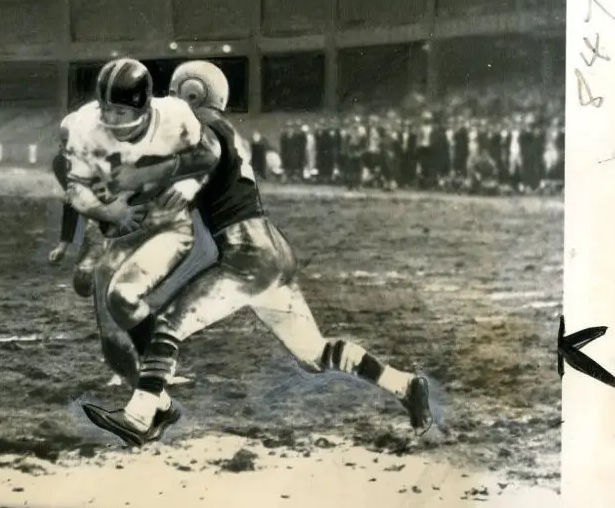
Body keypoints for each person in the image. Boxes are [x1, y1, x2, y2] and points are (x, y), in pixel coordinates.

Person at [81, 60, 433, 447]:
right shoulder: (225, 130)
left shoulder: (205, 129)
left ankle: (142, 414)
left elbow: (202, 158)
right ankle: (403, 385)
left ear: (191, 94)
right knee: (315, 355)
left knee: (168, 325)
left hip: (246, 254)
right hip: (270, 250)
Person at [54, 57, 222, 433]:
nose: (112, 120)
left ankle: (150, 397)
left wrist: (189, 185)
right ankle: (156, 398)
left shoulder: (175, 115)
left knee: (125, 296)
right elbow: (75, 190)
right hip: (119, 230)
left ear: (144, 105)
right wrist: (109, 210)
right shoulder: (84, 125)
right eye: (107, 110)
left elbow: (210, 156)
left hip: (166, 225)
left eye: (120, 111)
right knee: (112, 330)